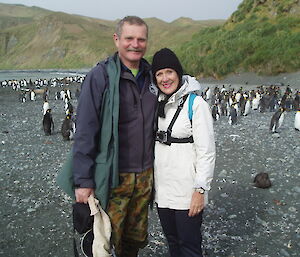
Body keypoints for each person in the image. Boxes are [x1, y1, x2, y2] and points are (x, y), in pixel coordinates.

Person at [72, 16, 157, 257]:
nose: (135, 44)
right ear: (117, 39)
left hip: (144, 176)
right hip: (112, 176)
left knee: (135, 239)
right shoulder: (100, 77)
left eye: (141, 39)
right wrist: (83, 181)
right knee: (106, 239)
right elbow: (85, 130)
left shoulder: (152, 77)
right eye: (129, 38)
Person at [152, 48, 216, 257]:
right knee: (172, 242)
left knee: (189, 245)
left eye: (169, 72)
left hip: (187, 192)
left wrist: (200, 190)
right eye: (159, 74)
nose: (165, 78)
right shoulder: (157, 105)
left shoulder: (196, 105)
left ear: (178, 73)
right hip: (163, 191)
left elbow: (207, 152)